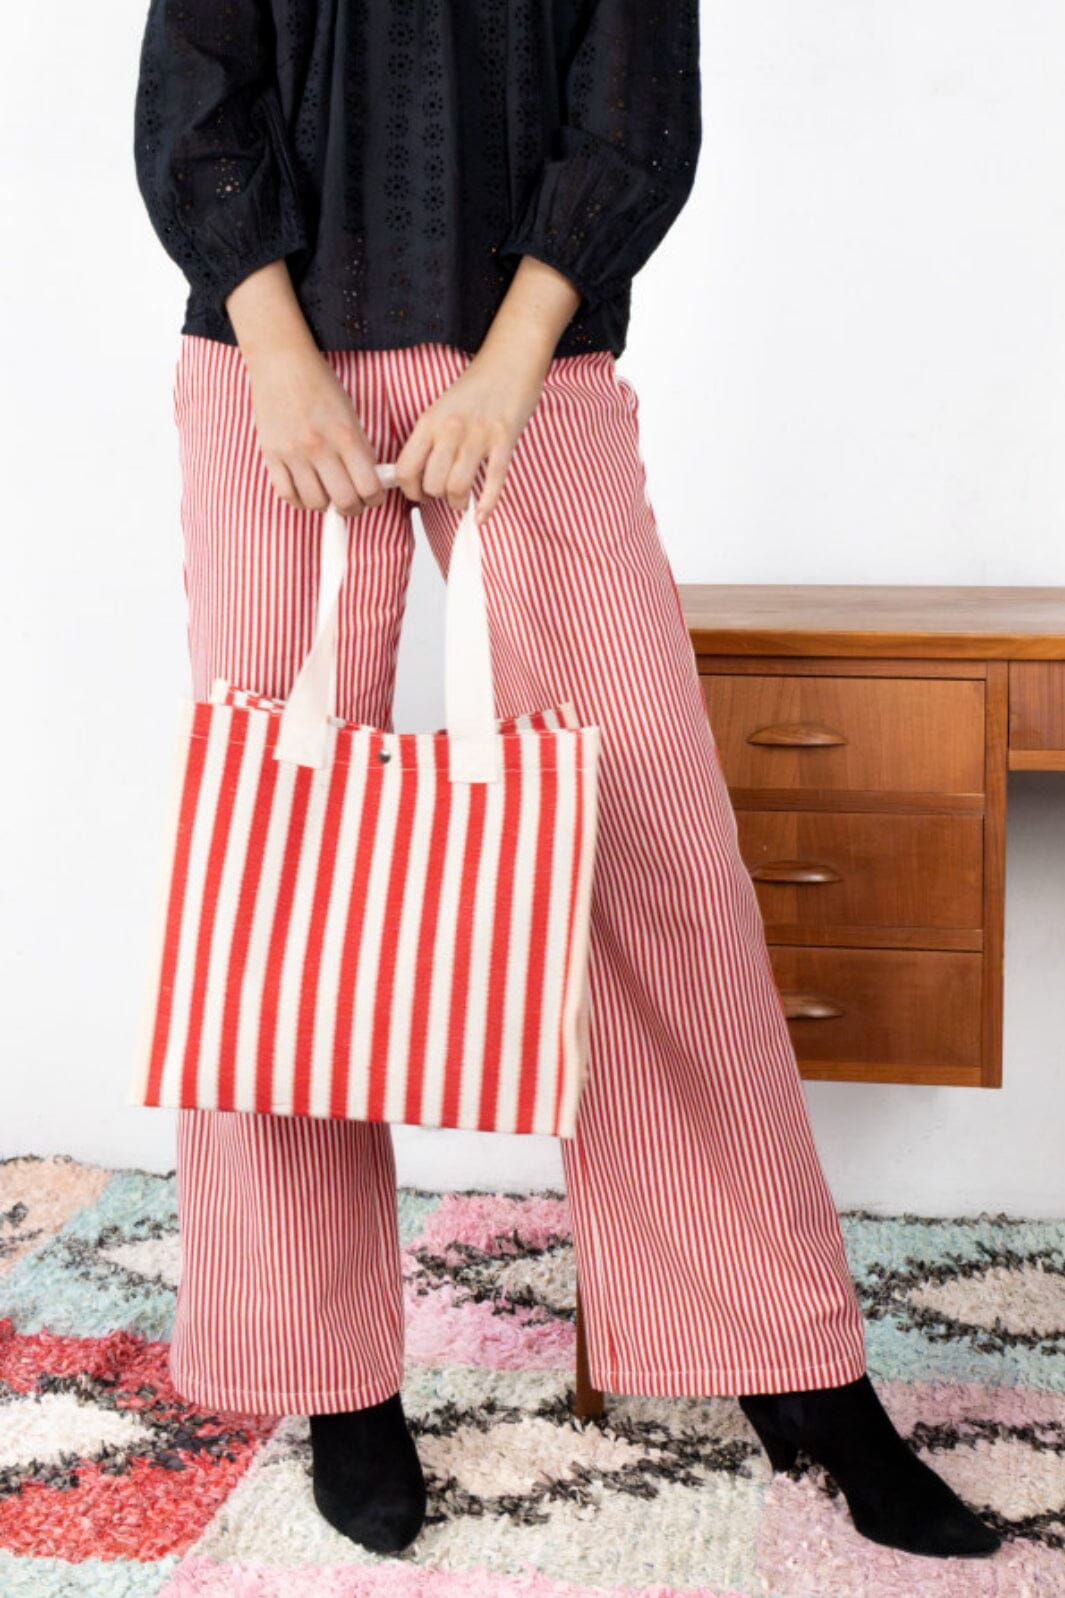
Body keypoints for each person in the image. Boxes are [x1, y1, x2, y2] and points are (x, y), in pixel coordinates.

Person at [132, 0, 1001, 1565]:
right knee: (269, 869)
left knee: (658, 857)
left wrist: (509, 365)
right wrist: (275, 354)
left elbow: (632, 117)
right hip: (266, 366)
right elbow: (195, 92)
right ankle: (330, 1376)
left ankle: (793, 1365)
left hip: (532, 365)